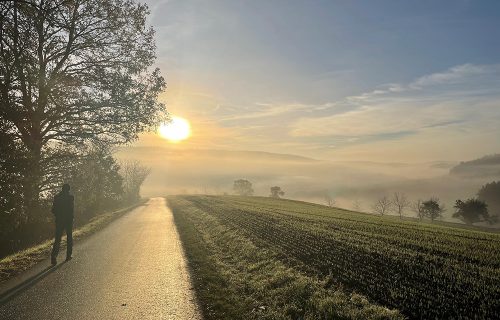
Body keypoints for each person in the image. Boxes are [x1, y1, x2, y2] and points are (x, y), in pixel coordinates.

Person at [50, 183, 74, 265]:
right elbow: (71, 210)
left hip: (59, 220)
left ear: (62, 189)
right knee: (69, 238)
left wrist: (58, 215)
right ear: (68, 190)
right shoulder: (71, 197)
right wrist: (71, 218)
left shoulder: (57, 197)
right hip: (68, 221)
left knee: (57, 239)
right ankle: (68, 255)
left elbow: (53, 210)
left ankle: (54, 256)